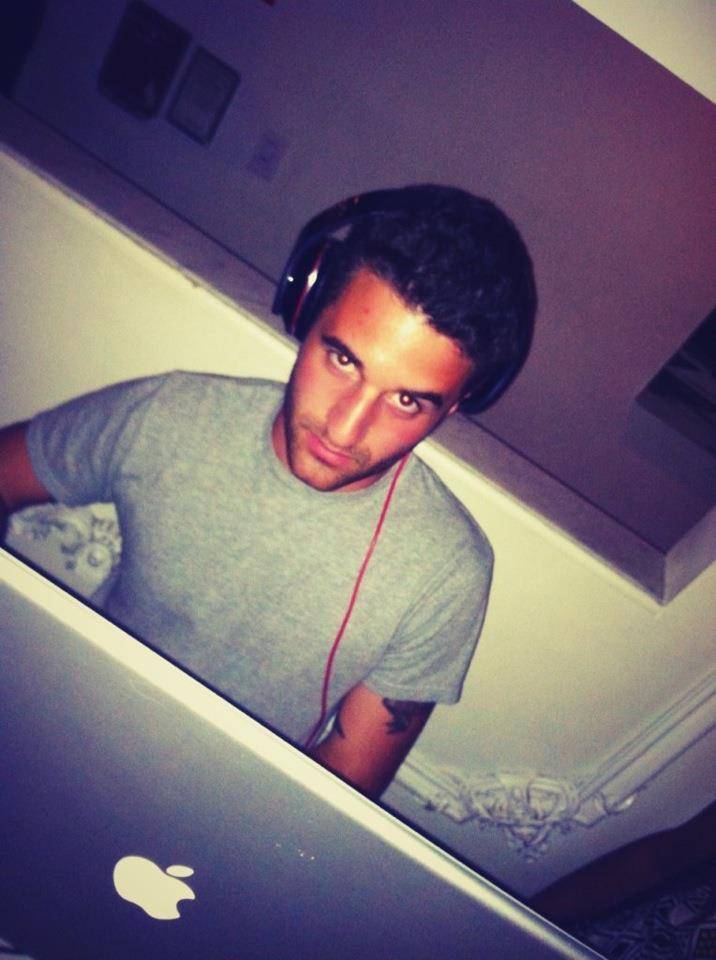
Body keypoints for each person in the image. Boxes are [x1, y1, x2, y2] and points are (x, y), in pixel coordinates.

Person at [0, 184, 536, 798]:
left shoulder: (447, 573)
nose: (344, 429)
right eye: (343, 360)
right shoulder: (170, 414)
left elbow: (339, 787)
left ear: (455, 407)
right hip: (43, 741)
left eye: (407, 401)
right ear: (306, 308)